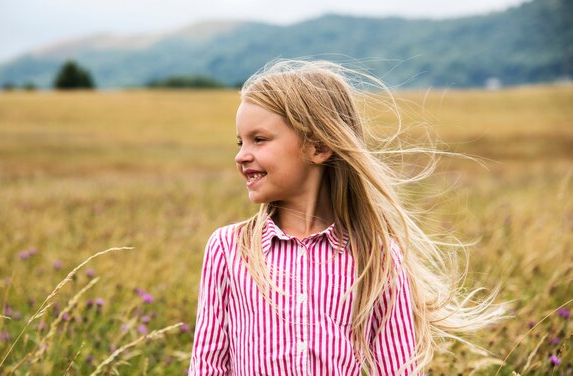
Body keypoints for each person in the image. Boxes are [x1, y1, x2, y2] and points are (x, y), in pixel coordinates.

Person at [188, 60, 502, 375]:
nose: (241, 155)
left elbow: (399, 368)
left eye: (259, 139)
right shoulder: (229, 248)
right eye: (240, 142)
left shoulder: (376, 256)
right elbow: (207, 365)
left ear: (319, 147)